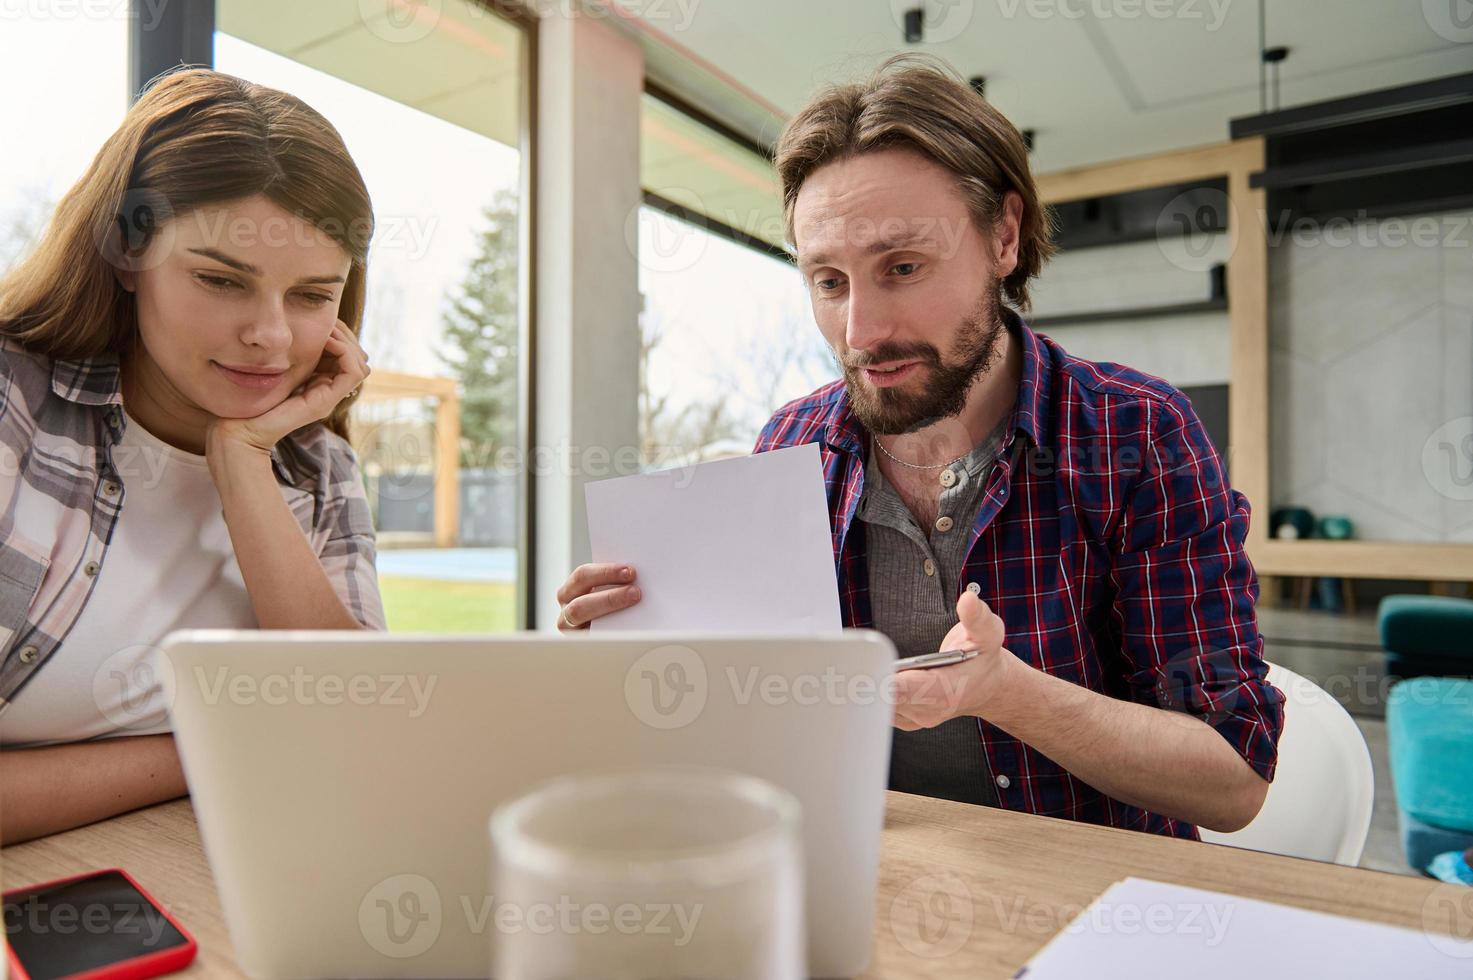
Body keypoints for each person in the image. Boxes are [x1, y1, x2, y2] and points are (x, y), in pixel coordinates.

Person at [556, 57, 1285, 840]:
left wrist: (1003, 690)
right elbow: (760, 721)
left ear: (1002, 238)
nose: (860, 332)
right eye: (828, 281)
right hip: (864, 881)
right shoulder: (793, 444)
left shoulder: (1136, 435)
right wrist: (648, 655)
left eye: (901, 267)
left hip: (1088, 907)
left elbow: (1231, 779)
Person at [0, 69, 383, 843]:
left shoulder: (317, 467)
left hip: (192, 873)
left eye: (312, 296)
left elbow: (356, 727)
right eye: (219, 279)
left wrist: (242, 462)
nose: (271, 336)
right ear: (127, 256)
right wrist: (208, 749)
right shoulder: (16, 405)